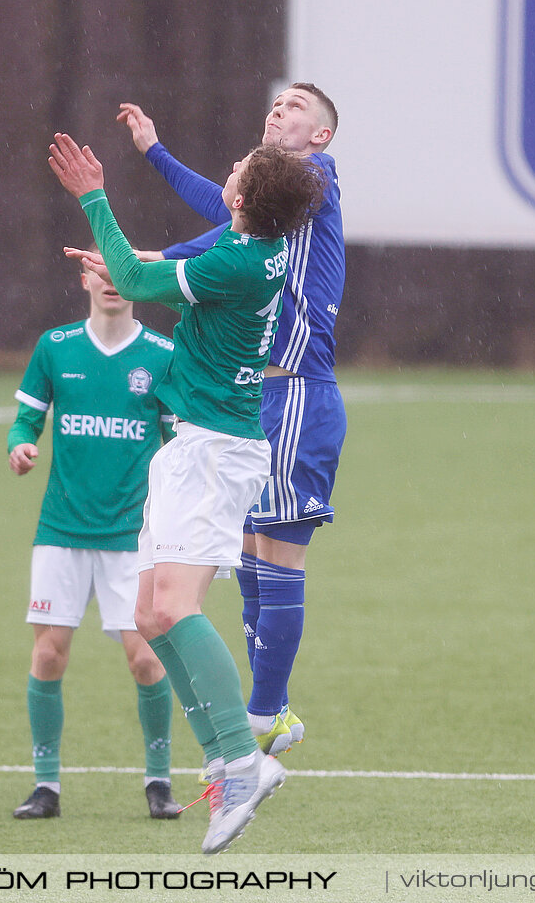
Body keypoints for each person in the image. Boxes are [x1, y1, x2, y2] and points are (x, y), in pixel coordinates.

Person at [48, 132, 324, 854]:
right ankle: (223, 759)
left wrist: (93, 200)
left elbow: (142, 288)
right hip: (194, 448)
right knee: (147, 613)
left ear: (240, 198)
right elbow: (148, 273)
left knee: (174, 607)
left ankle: (242, 760)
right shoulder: (246, 251)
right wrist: (113, 258)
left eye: (233, 170)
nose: (228, 170)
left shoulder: (238, 258)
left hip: (214, 452)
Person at [117, 84, 344, 755]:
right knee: (249, 554)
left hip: (297, 390)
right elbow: (224, 228)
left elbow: (219, 226)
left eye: (297, 106)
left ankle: (265, 712)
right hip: (254, 401)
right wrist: (155, 254)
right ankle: (264, 711)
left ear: (322, 137)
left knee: (279, 552)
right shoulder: (269, 210)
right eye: (274, 102)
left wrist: (156, 166)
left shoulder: (316, 179)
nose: (279, 108)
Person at [5, 259, 183, 822]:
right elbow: (24, 419)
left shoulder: (161, 355)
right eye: (96, 269)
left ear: (134, 282)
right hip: (60, 530)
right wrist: (20, 444)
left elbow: (179, 441)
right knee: (49, 654)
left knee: (145, 661)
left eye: (118, 270)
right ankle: (45, 786)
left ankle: (159, 781)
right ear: (83, 280)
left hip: (132, 538)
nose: (108, 280)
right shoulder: (55, 347)